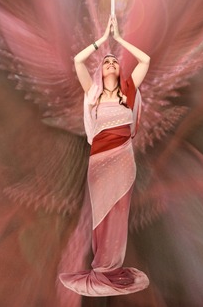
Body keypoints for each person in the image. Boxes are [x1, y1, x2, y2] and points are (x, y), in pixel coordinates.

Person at [59, 15, 150, 297]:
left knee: (119, 214)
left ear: (120, 70)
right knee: (101, 214)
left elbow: (145, 60)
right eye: (106, 61)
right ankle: (101, 267)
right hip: (98, 162)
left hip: (123, 160)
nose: (110, 63)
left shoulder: (128, 91)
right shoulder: (93, 94)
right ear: (100, 70)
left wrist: (119, 39)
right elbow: (77, 61)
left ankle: (113, 267)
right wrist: (102, 40)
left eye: (115, 61)